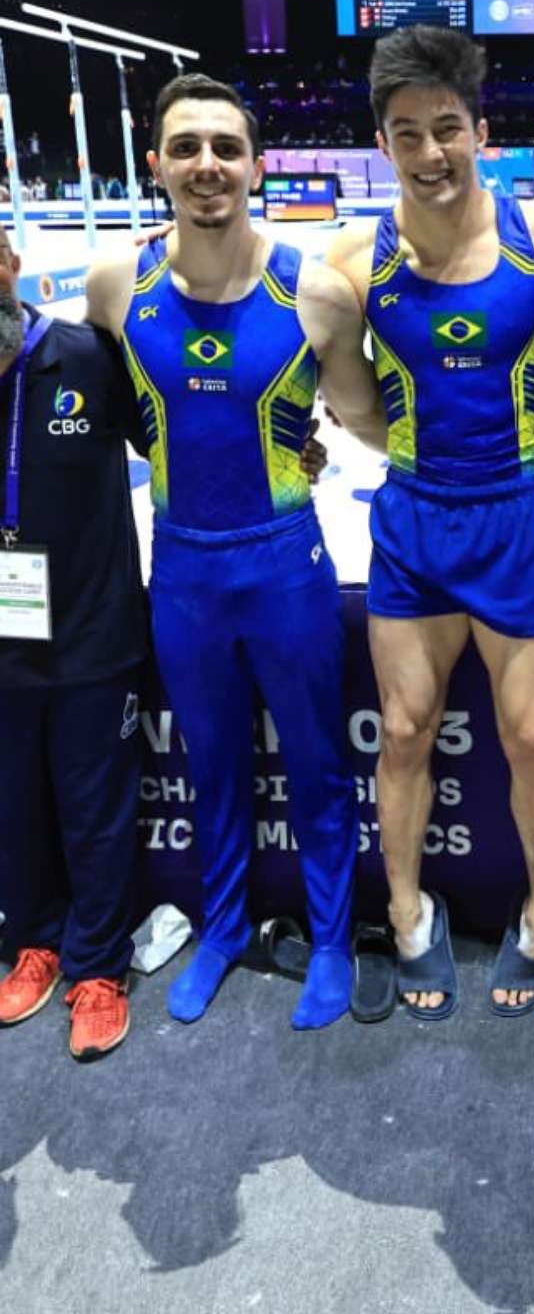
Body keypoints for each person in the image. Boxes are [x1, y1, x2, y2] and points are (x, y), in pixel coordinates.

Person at [86, 73, 380, 1031]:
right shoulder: (115, 286)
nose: (206, 165)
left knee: (316, 760)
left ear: (256, 164)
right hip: (183, 568)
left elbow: (371, 416)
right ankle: (221, 926)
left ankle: (332, 935)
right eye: (186, 148)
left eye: (225, 147)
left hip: (284, 562)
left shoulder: (318, 293)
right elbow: (124, 421)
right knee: (213, 761)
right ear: (157, 164)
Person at [324, 26, 534, 1019]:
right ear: (381, 143)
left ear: (482, 128)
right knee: (402, 728)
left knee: (531, 735)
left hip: (517, 510)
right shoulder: (353, 260)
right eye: (406, 134)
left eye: (447, 129)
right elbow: (351, 405)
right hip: (415, 513)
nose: (430, 153)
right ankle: (405, 914)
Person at [0, 221, 147, 1060]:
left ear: (12, 264)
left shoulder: (86, 357)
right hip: (1, 650)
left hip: (93, 638)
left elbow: (169, 437)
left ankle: (98, 966)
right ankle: (36, 944)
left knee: (96, 814)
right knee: (13, 814)